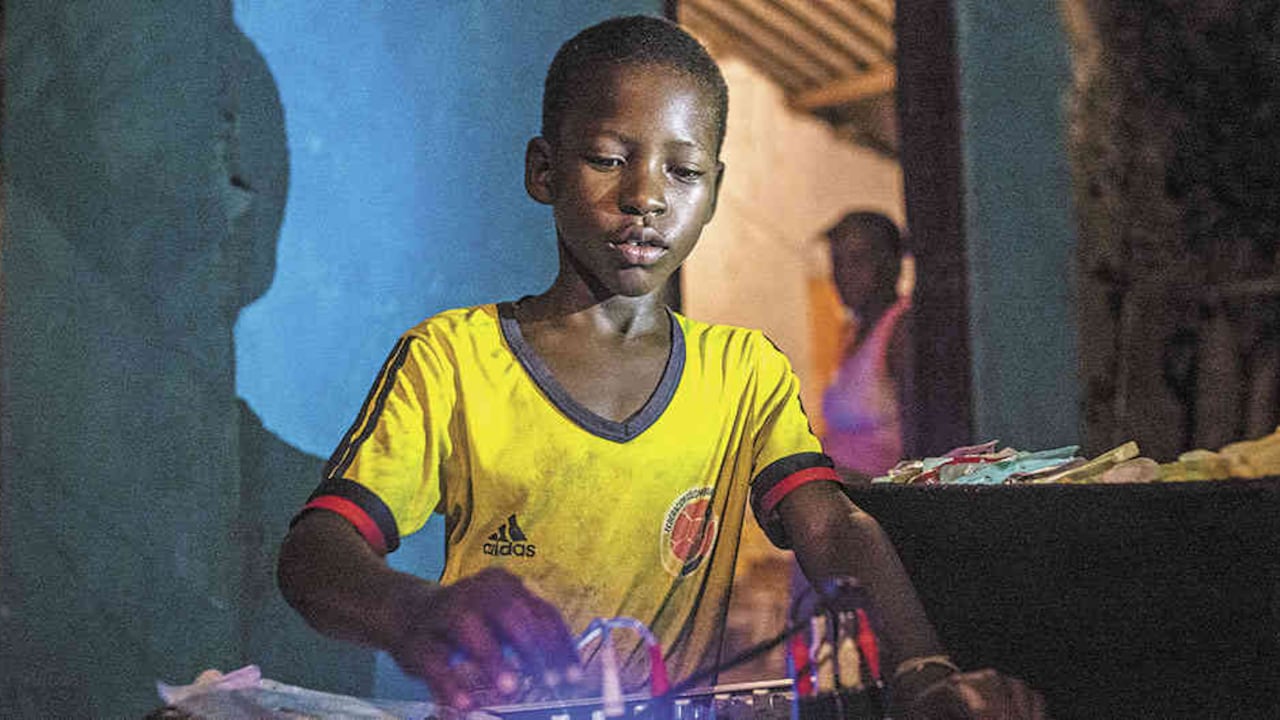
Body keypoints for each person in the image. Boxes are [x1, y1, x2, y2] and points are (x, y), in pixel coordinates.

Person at [277, 15, 1048, 719]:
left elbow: (834, 525)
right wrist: (411, 612)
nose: (645, 196)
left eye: (683, 173)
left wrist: (924, 674)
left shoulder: (742, 374)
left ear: (714, 195)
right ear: (543, 172)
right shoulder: (451, 361)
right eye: (609, 159)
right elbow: (316, 553)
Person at [820, 212, 913, 479]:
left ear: (892, 264)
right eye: (837, 263)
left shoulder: (902, 331)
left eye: (858, 261)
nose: (843, 274)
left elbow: (920, 447)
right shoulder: (855, 333)